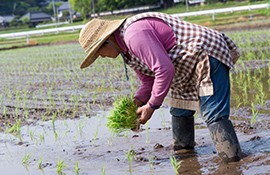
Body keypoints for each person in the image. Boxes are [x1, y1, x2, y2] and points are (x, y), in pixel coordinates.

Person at [78, 12, 242, 162]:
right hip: (183, 65)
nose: (101, 56)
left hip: (204, 53)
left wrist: (151, 106)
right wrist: (136, 103)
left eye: (98, 52)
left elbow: (164, 69)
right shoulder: (126, 50)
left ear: (107, 40)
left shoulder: (133, 36)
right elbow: (148, 81)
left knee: (213, 113)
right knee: (180, 111)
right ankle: (185, 158)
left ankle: (232, 161)